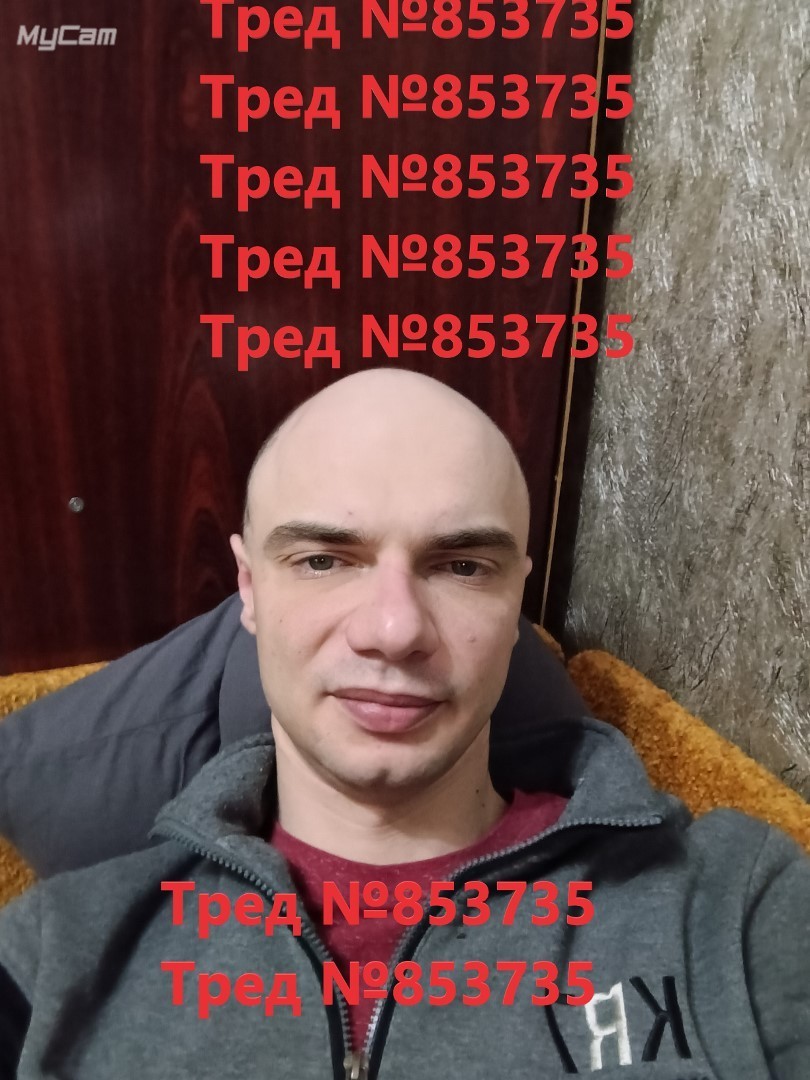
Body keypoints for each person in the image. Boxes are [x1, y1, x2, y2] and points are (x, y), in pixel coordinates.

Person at [0, 368, 807, 1080]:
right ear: (248, 588)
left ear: (516, 598)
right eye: (323, 560)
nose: (394, 630)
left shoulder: (734, 907)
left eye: (462, 566)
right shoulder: (50, 958)